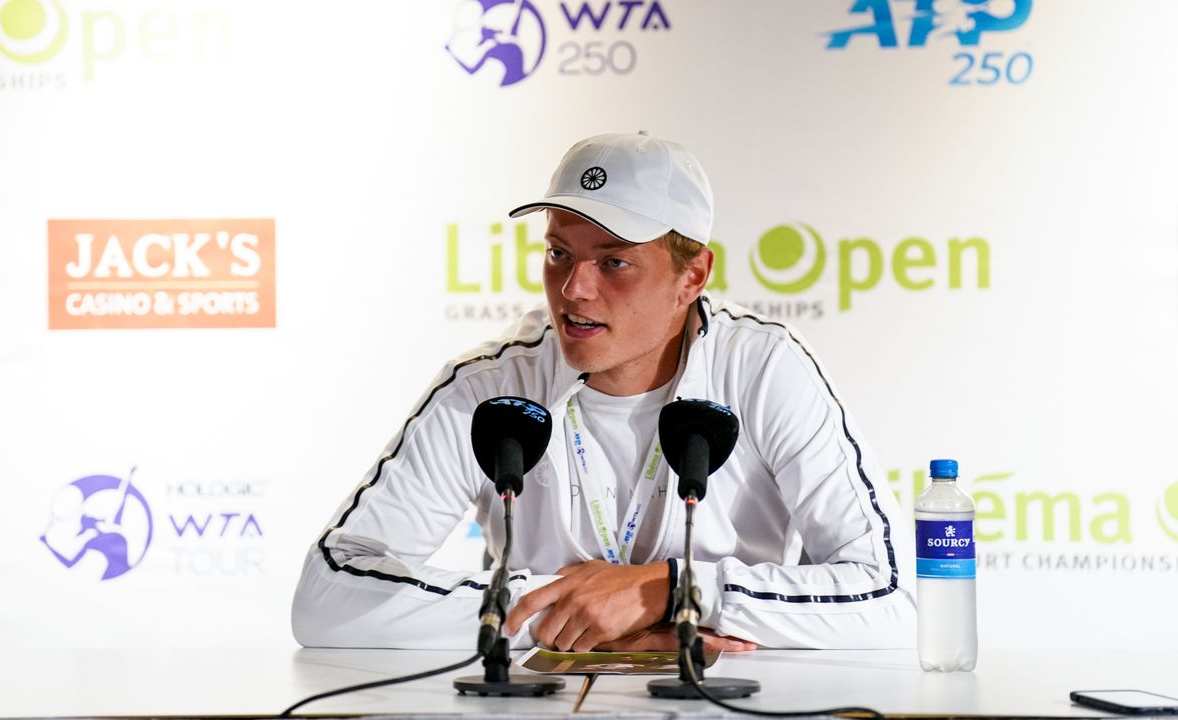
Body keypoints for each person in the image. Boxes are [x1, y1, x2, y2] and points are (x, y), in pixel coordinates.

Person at [292, 132, 916, 652]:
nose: (572, 290)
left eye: (613, 262)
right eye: (559, 253)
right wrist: (562, 613)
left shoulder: (762, 368)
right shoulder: (490, 385)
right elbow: (327, 595)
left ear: (692, 275)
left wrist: (673, 593)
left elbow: (894, 599)